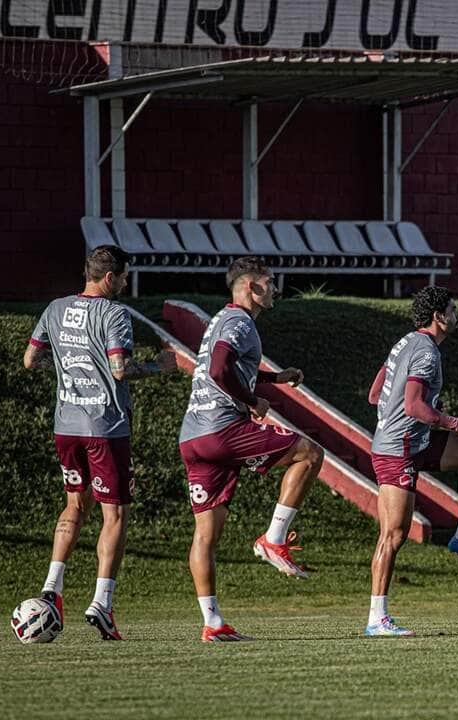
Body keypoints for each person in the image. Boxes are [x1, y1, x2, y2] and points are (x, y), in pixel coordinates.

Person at [23, 245, 178, 641]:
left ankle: (52, 589)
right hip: (104, 427)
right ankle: (102, 604)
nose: (125, 284)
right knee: (115, 516)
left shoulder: (55, 308)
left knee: (74, 504)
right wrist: (158, 367)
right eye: (124, 277)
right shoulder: (114, 313)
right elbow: (120, 370)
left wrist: (66, 370)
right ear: (110, 277)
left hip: (66, 424)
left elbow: (30, 360)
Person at [179, 257, 325, 642]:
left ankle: (213, 623)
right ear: (251, 287)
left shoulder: (223, 320)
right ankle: (274, 539)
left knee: (205, 536)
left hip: (193, 438)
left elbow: (226, 366)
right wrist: (250, 401)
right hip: (222, 429)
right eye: (270, 282)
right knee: (309, 453)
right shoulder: (239, 321)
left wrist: (274, 379)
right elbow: (217, 371)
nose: (275, 289)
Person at [364, 286, 458, 637]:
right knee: (393, 534)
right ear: (439, 316)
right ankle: (377, 618)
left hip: (416, 441)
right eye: (452, 310)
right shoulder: (426, 353)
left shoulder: (405, 342)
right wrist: (457, 424)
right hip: (398, 450)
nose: (457, 315)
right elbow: (413, 406)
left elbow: (375, 394)